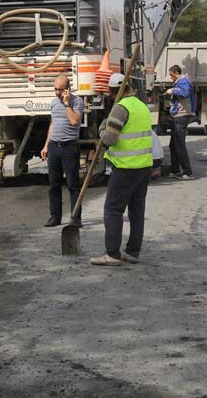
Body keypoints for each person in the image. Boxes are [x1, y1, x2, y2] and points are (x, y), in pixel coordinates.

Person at [90, 73, 153, 266]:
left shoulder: (120, 108)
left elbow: (109, 139)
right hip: (144, 166)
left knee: (113, 210)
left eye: (109, 92)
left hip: (126, 167)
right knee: (136, 210)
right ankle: (133, 252)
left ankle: (112, 254)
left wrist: (102, 128)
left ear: (113, 91)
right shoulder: (141, 106)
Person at [41, 75, 84, 227]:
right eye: (55, 90)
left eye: (61, 90)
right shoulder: (53, 102)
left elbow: (74, 121)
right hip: (54, 146)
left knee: (73, 184)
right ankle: (55, 216)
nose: (57, 93)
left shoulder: (77, 102)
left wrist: (66, 104)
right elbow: (53, 124)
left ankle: (75, 218)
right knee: (54, 184)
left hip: (69, 147)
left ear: (68, 89)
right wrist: (46, 145)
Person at [166, 64, 195, 181]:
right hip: (177, 116)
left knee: (179, 145)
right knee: (173, 145)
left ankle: (188, 172)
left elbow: (185, 93)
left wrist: (172, 90)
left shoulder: (183, 81)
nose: (170, 77)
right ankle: (175, 170)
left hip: (181, 116)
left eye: (171, 74)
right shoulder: (180, 81)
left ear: (176, 72)